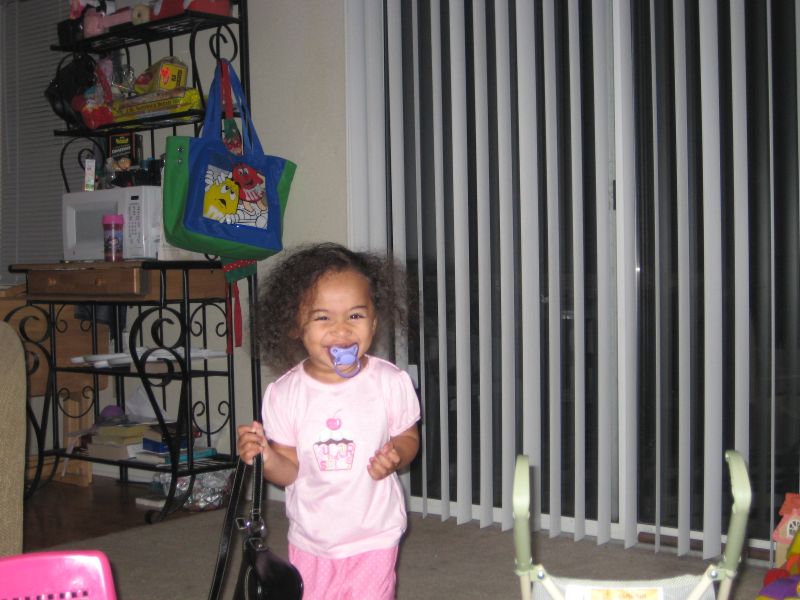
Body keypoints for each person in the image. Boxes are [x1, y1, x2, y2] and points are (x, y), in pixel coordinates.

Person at [237, 242, 421, 600]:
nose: (341, 330)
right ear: (296, 326)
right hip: (312, 538)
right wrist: (265, 457)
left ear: (374, 321)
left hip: (374, 532)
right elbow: (288, 470)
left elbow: (409, 437)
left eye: (355, 316)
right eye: (323, 318)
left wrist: (397, 454)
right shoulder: (284, 394)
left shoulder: (390, 382)